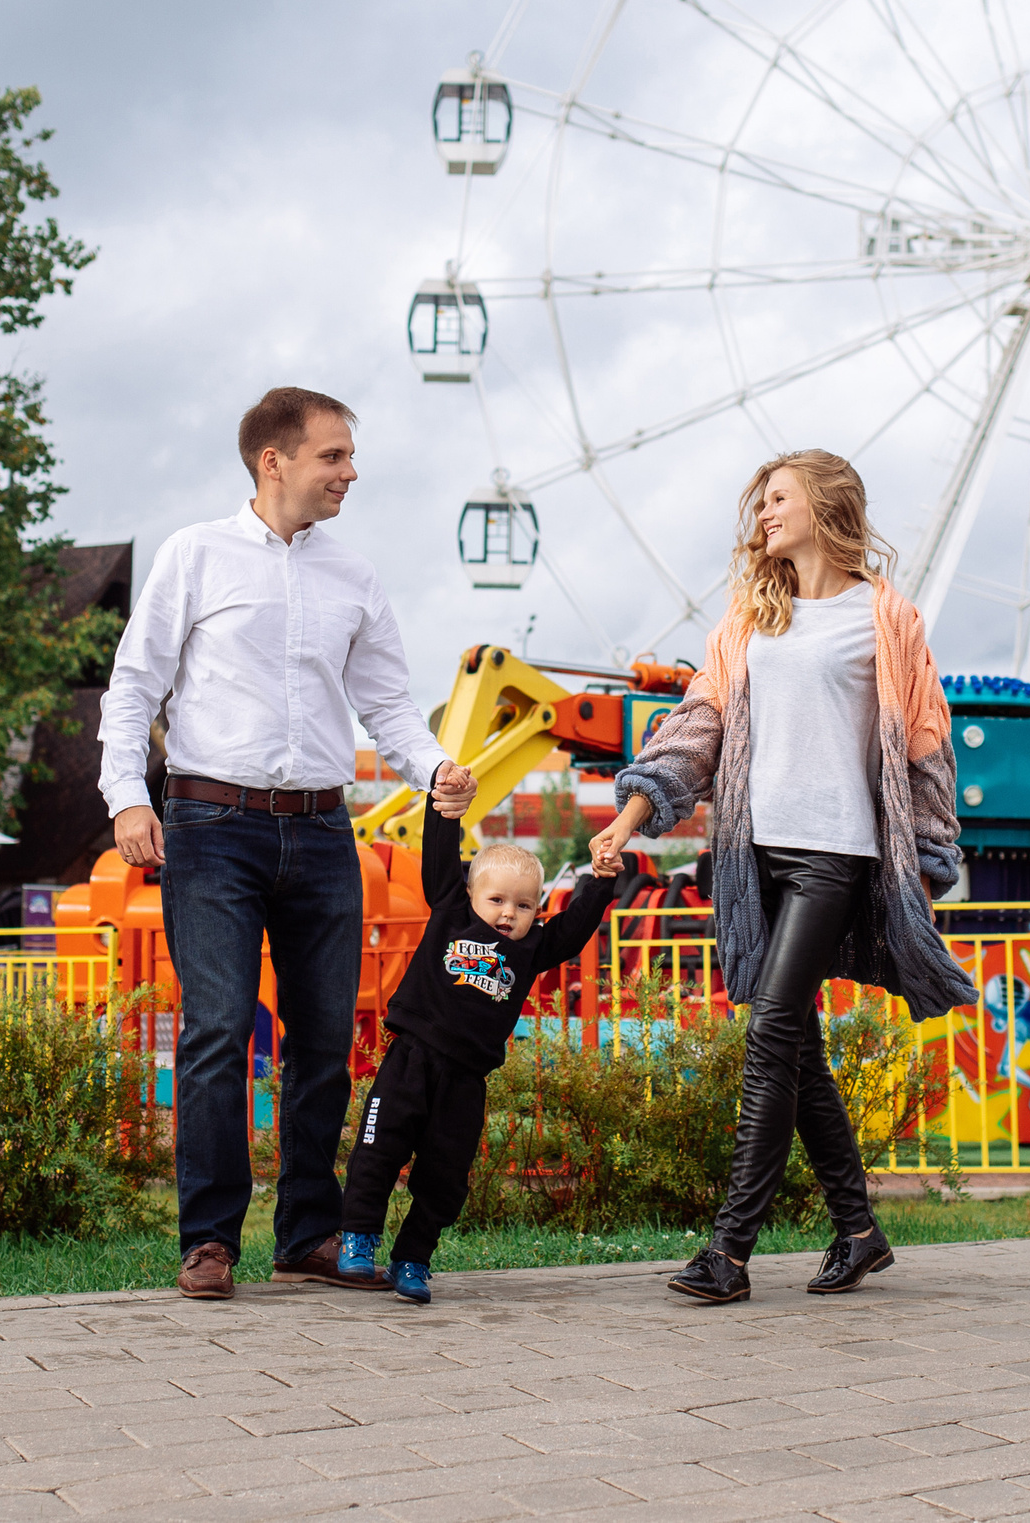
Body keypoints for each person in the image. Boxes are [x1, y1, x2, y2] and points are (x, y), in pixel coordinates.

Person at [99, 386, 478, 1301]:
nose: (351, 472)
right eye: (334, 456)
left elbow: (388, 703)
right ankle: (210, 1242)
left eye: (349, 456)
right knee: (219, 1032)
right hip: (209, 826)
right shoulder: (194, 555)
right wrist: (123, 798)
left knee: (321, 1039)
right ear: (275, 460)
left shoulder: (354, 575)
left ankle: (308, 1232)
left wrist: (433, 768)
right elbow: (134, 684)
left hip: (319, 830)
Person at [593, 449, 972, 1304]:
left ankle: (729, 1252)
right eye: (760, 502)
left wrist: (932, 854)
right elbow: (698, 730)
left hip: (837, 852)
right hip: (752, 856)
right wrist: (627, 817)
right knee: (796, 1045)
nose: (764, 513)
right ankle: (858, 1230)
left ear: (826, 505)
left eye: (778, 497)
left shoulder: (888, 618)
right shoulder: (747, 621)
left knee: (768, 1038)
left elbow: (924, 745)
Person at [335, 814, 617, 1302]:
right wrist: (445, 809)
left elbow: (572, 930)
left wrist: (602, 879)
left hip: (465, 1082)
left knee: (445, 1177)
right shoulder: (449, 911)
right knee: (377, 1153)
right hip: (410, 1062)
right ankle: (358, 1237)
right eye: (498, 900)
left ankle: (413, 1260)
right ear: (471, 896)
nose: (509, 913)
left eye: (524, 905)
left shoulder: (532, 948)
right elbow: (440, 860)